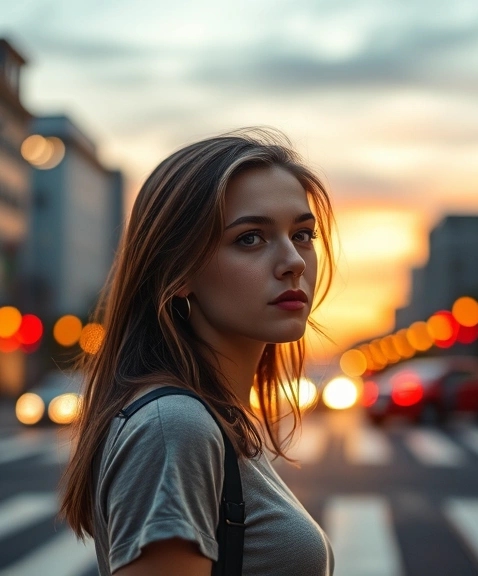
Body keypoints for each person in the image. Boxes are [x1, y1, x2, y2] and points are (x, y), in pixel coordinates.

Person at [59, 128, 337, 575]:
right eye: (251, 238)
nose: (295, 261)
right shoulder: (175, 429)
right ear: (180, 270)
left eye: (303, 234)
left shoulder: (215, 417)